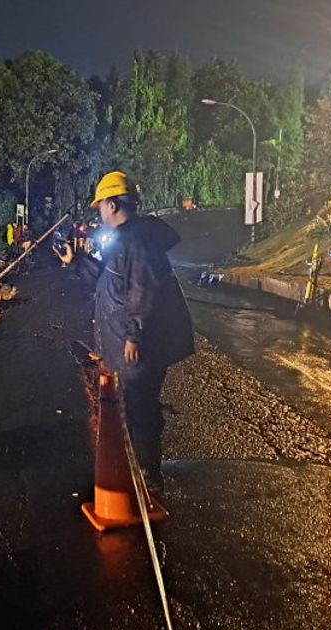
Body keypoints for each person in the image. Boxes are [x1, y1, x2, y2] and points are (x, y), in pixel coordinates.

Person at [55, 171, 194, 490]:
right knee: (135, 404)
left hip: (140, 344)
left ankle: (147, 475)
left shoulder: (136, 241)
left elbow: (143, 290)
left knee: (139, 406)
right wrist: (75, 262)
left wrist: (134, 334)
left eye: (101, 206)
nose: (99, 213)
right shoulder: (128, 240)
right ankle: (142, 468)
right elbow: (112, 284)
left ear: (113, 204)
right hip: (135, 340)